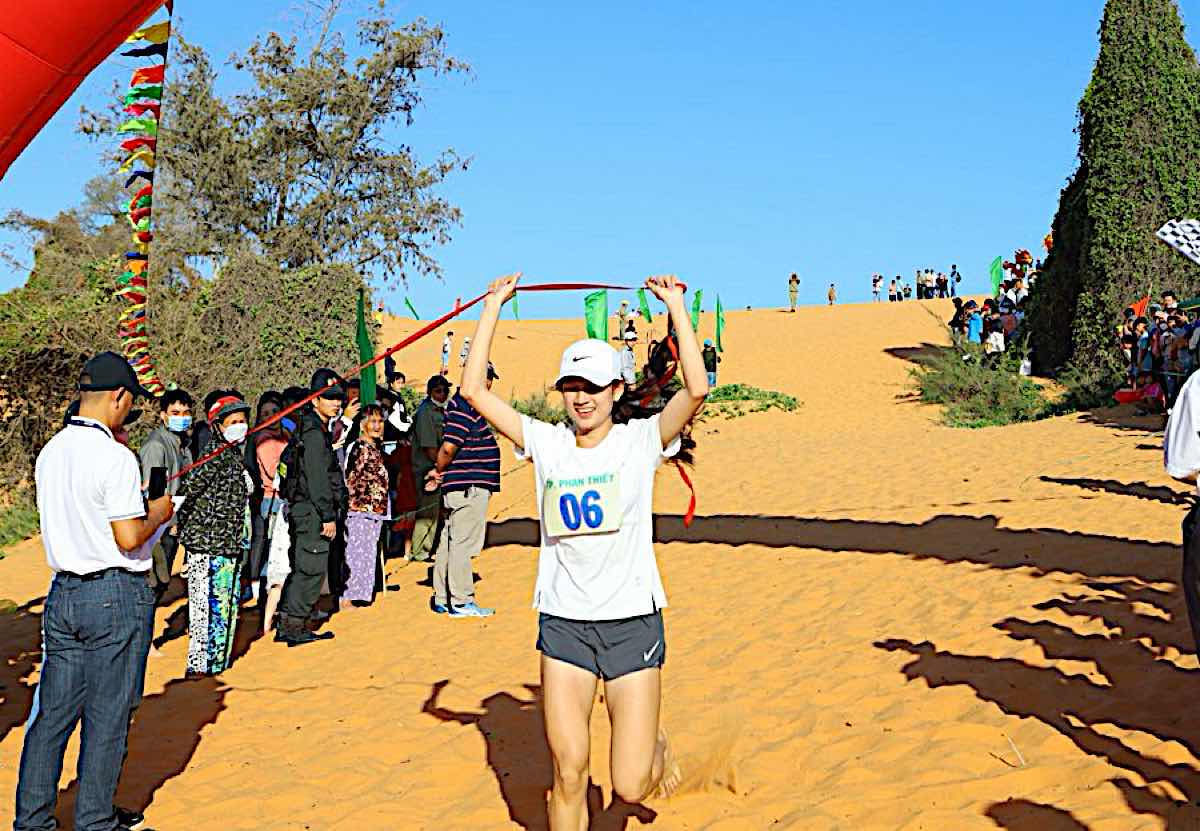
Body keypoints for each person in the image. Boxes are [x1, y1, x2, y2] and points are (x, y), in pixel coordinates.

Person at [459, 272, 705, 828]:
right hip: (565, 624)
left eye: (593, 387)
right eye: (572, 386)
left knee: (629, 783)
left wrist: (676, 310)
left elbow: (695, 390)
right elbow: (474, 392)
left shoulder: (640, 441)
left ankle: (655, 749)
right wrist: (493, 307)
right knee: (569, 770)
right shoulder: (546, 443)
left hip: (632, 623)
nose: (581, 397)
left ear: (615, 391)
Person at [14, 352, 173, 831]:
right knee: (108, 715)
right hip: (114, 594)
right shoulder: (114, 457)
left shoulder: (51, 452)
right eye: (130, 402)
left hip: (62, 594)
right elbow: (128, 536)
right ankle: (95, 820)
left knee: (53, 716)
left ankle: (33, 820)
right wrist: (160, 512)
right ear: (119, 397)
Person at [176, 394, 252, 677]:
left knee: (225, 606)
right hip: (207, 545)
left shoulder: (234, 454)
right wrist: (186, 530)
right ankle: (199, 669)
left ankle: (217, 664)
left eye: (243, 421)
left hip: (229, 544)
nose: (239, 426)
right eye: (233, 421)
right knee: (205, 608)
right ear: (218, 426)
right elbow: (188, 490)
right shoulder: (214, 454)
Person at [276, 369, 347, 647]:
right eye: (328, 397)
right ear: (314, 400)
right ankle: (295, 626)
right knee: (311, 569)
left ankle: (290, 623)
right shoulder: (314, 433)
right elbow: (317, 478)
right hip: (312, 511)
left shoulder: (312, 428)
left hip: (304, 509)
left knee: (304, 567)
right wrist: (327, 515)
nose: (336, 403)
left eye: (338, 397)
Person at [427, 363, 503, 617]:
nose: (489, 384)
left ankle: (442, 596)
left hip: (462, 485)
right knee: (462, 543)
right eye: (487, 378)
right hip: (468, 487)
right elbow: (449, 447)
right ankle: (461, 600)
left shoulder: (465, 406)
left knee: (450, 541)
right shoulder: (465, 406)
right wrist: (438, 469)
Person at [137, 387, 194, 606]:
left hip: (175, 519)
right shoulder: (156, 446)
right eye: (176, 413)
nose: (182, 418)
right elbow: (155, 491)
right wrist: (168, 524)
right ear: (163, 415)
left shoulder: (182, 444)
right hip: (161, 526)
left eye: (186, 413)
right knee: (154, 583)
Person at [341, 404, 390, 608]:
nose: (377, 426)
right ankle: (347, 598)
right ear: (362, 425)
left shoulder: (376, 448)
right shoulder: (357, 448)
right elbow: (348, 477)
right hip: (359, 510)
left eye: (380, 421)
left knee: (367, 554)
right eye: (373, 421)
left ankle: (360, 595)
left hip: (374, 511)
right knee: (355, 554)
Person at [410, 374, 451, 563]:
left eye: (445, 390)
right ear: (429, 392)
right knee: (427, 512)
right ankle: (420, 552)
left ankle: (430, 548)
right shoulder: (425, 412)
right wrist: (440, 467)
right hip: (428, 469)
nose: (442, 394)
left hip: (439, 467)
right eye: (438, 391)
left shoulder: (443, 411)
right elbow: (429, 447)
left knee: (437, 511)